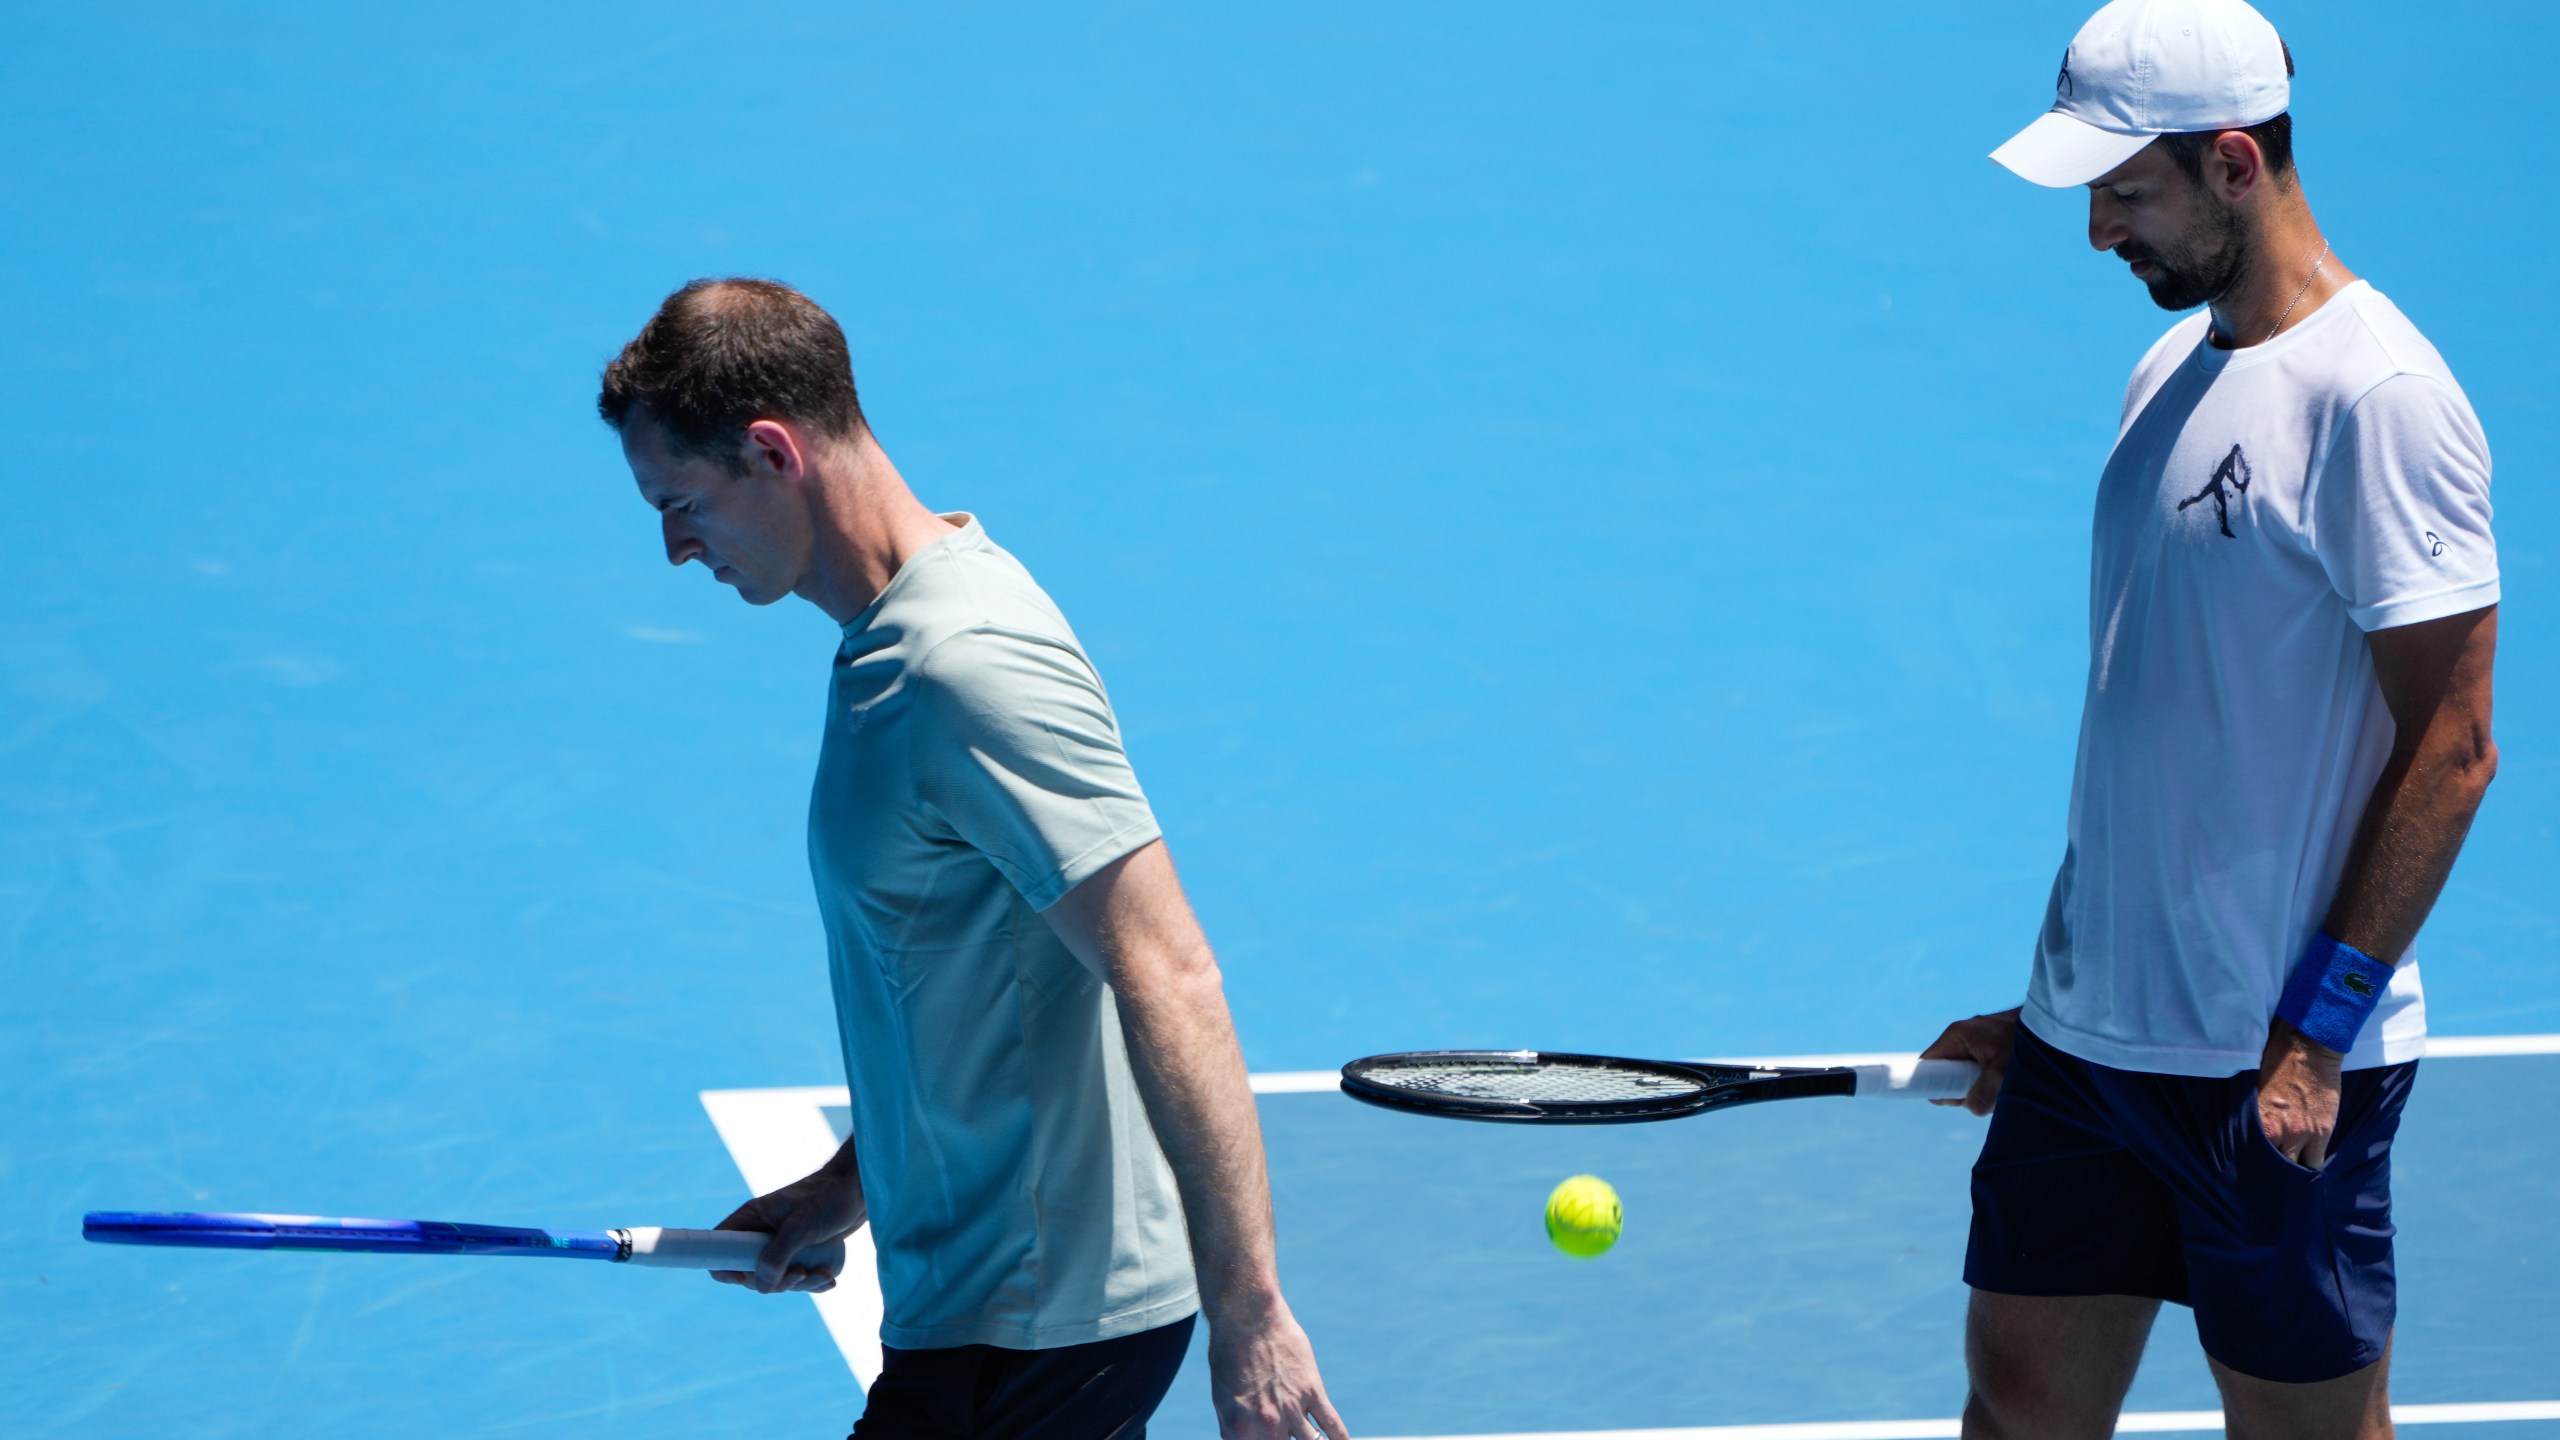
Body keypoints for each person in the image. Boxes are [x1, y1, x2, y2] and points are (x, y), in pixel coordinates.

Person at [597, 278, 1347, 1440]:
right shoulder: (891, 639)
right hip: (989, 1309)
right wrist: (848, 1187)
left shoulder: (963, 664)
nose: (674, 547)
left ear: (769, 451)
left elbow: (1167, 967)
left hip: (1039, 1328)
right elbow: (968, 966)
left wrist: (1250, 1317)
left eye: (682, 501)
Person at [1921, 2, 2500, 1436]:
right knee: (2014, 1408)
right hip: (2090, 1049)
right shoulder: (2167, 372)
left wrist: (2315, 1036)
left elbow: (2456, 742)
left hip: (2267, 1071)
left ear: (2236, 163)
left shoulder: (2382, 398)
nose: (2101, 233)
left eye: (2128, 192)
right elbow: (2158, 727)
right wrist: (2055, 1004)